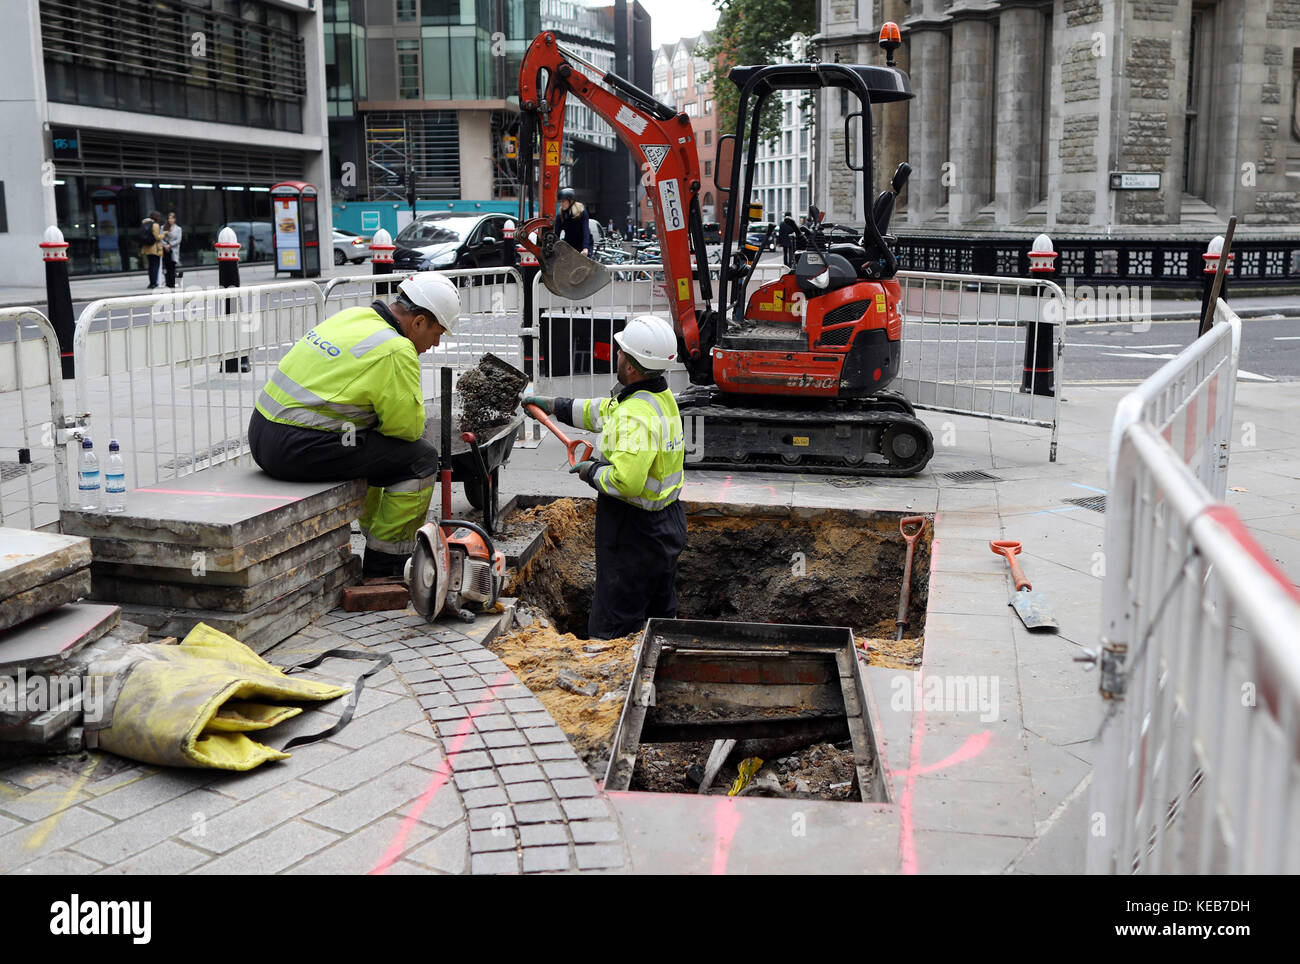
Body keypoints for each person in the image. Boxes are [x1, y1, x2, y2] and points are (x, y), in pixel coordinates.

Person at [247, 272, 461, 579]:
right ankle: (385, 564)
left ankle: (372, 533)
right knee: (419, 459)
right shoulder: (396, 349)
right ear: (418, 322)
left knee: (373, 443)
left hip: (262, 434)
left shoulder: (354, 317)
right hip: (295, 447)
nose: (436, 342)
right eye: (437, 332)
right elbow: (407, 430)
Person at [522, 315, 686, 639]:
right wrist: (556, 405)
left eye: (621, 351)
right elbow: (601, 411)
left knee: (615, 619)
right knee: (661, 613)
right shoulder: (656, 397)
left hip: (633, 530)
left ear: (631, 366)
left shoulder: (634, 415)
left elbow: (627, 482)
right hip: (665, 526)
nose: (617, 355)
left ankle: (606, 675)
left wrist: (590, 471)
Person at [556, 187, 593, 257]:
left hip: (583, 244)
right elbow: (556, 233)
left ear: (570, 201)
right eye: (560, 201)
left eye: (563, 201)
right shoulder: (561, 215)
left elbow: (586, 230)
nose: (561, 204)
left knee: (584, 265)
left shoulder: (581, 212)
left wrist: (585, 248)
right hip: (570, 244)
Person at [139, 210, 164, 288]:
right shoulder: (155, 225)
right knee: (155, 266)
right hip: (154, 248)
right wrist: (163, 234)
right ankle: (154, 283)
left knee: (151, 266)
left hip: (147, 248)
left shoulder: (144, 223)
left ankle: (151, 283)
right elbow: (157, 237)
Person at [162, 212, 183, 288]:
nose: (170, 220)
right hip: (165, 250)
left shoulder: (178, 229)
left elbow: (178, 240)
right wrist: (165, 245)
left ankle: (172, 282)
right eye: (169, 218)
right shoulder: (163, 227)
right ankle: (168, 283)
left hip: (173, 250)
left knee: (172, 266)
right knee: (167, 267)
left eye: (172, 218)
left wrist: (169, 245)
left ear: (175, 219)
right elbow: (161, 238)